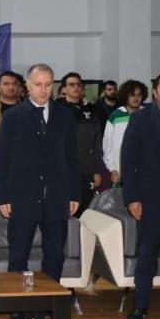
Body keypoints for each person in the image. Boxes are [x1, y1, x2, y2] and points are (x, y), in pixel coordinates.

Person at [0, 64, 79, 319]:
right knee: (18, 256)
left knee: (54, 255)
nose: (43, 90)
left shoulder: (65, 115)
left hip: (57, 197)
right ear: (28, 86)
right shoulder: (13, 116)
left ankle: (48, 304)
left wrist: (74, 194)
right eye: (38, 84)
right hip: (22, 197)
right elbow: (3, 159)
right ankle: (17, 307)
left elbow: (72, 158)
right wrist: (2, 197)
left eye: (48, 84)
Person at [121, 73, 160, 319]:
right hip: (151, 200)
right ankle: (140, 305)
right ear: (155, 91)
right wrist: (132, 198)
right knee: (147, 255)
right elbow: (128, 160)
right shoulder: (140, 118)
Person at [57, 72, 105, 214]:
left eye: (78, 84)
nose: (76, 87)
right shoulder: (55, 110)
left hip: (86, 170)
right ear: (64, 89)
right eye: (71, 85)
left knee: (85, 210)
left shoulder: (92, 110)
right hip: (62, 169)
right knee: (64, 209)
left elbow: (97, 143)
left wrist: (97, 170)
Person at [103, 80, 147, 186]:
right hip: (120, 172)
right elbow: (107, 145)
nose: (136, 98)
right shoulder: (115, 115)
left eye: (139, 95)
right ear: (125, 96)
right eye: (132, 95)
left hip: (144, 172)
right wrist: (112, 169)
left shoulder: (148, 115)